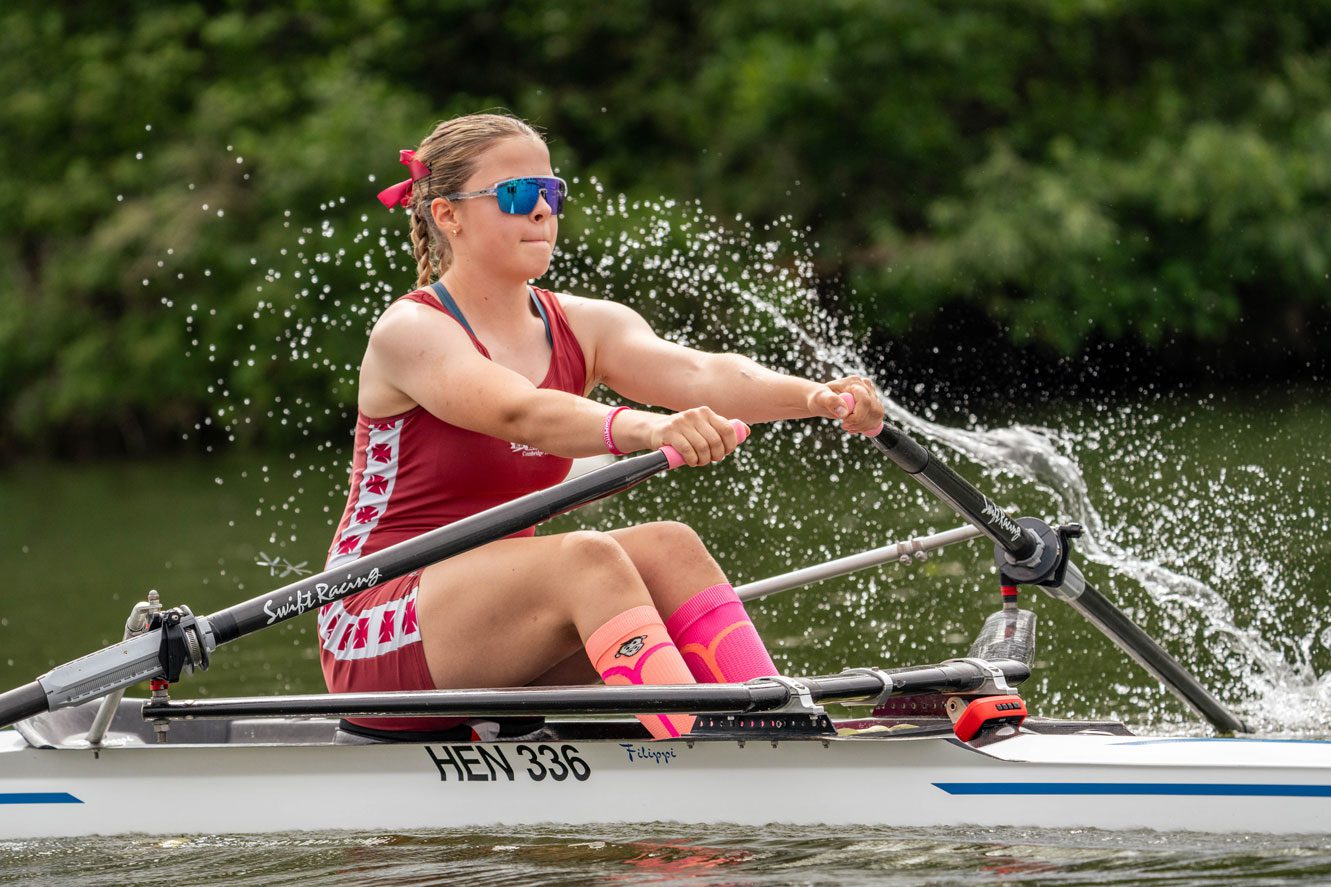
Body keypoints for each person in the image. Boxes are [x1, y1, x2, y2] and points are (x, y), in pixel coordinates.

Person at [319, 112, 884, 741]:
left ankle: (775, 728)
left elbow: (701, 373)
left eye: (550, 193)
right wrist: (648, 431)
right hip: (373, 621)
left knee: (670, 545)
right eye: (514, 195)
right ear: (449, 216)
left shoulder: (584, 325)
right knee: (585, 558)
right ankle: (701, 746)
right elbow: (519, 411)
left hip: (493, 622)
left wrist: (817, 396)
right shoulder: (411, 332)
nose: (541, 211)